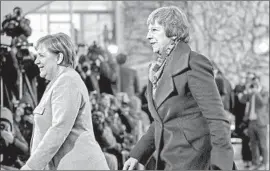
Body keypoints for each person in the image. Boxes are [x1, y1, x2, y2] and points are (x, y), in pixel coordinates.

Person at [123, 6, 235, 170]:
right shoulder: (159, 68)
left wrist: (220, 165)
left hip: (195, 161)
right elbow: (160, 121)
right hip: (172, 159)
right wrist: (137, 155)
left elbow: (217, 119)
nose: (148, 36)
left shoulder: (193, 63)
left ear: (173, 32)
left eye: (154, 30)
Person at [20, 33, 109, 170]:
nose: (36, 61)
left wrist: (31, 167)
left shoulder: (67, 82)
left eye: (42, 56)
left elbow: (59, 129)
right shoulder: (57, 82)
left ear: (59, 57)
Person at [238, 73, 269, 170]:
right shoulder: (251, 93)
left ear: (259, 82)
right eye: (253, 83)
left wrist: (257, 93)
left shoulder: (265, 92)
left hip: (261, 122)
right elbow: (242, 100)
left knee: (263, 145)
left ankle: (265, 164)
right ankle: (256, 163)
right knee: (253, 144)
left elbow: (263, 103)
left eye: (256, 82)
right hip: (251, 122)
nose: (254, 85)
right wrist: (247, 89)